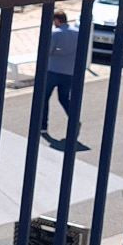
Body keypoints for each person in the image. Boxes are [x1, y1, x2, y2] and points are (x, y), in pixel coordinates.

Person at [41, 11, 83, 145]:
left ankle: (43, 126)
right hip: (69, 72)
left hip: (53, 70)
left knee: (44, 98)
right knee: (64, 98)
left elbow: (48, 51)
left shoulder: (55, 33)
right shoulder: (77, 33)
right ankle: (74, 120)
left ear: (57, 20)